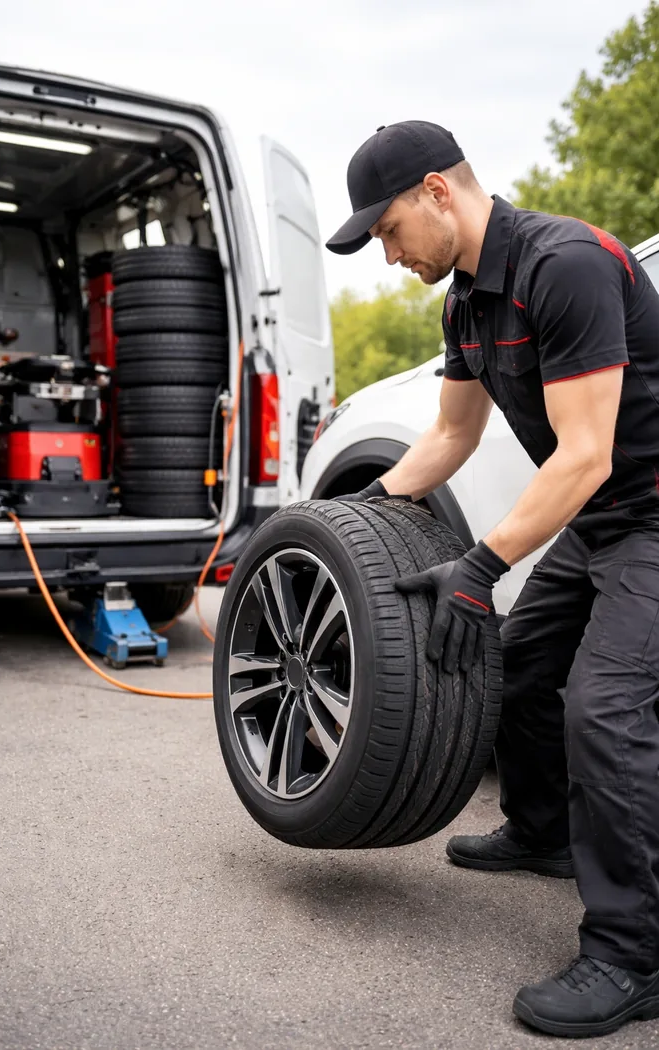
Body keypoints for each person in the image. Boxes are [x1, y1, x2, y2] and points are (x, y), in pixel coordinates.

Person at [326, 120, 659, 1039]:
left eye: (388, 230)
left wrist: (480, 564)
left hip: (652, 515)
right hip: (605, 520)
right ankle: (544, 833)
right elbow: (450, 438)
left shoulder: (568, 264)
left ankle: (633, 954)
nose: (387, 255)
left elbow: (585, 454)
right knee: (509, 664)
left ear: (438, 191)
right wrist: (341, 520)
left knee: (605, 708)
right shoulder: (467, 303)